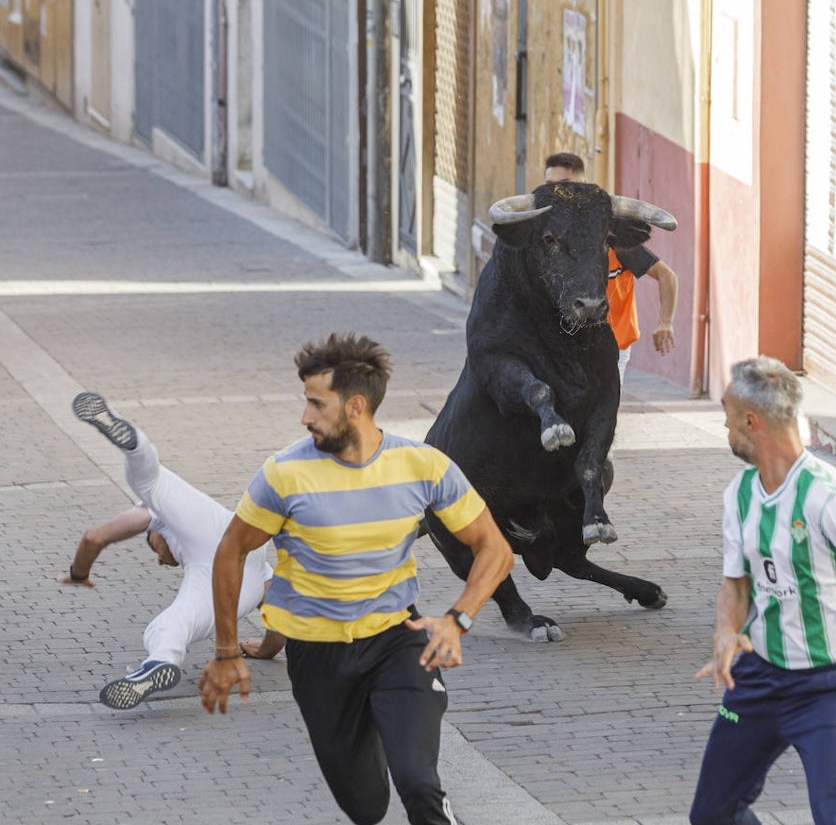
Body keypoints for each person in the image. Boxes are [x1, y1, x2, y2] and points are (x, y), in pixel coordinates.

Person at [198, 332, 514, 825]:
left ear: (356, 406)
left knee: (418, 781)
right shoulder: (284, 474)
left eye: (316, 404)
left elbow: (494, 548)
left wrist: (457, 620)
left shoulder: (422, 466)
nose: (305, 417)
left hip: (398, 641)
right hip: (317, 655)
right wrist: (225, 650)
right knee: (366, 807)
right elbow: (230, 552)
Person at [689, 356, 836, 825]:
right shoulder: (739, 494)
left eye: (728, 416)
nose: (726, 426)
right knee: (712, 815)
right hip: (757, 678)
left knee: (835, 819)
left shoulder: (830, 496)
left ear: (751, 422)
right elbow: (736, 584)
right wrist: (725, 631)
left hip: (828, 686)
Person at [67, 392, 280, 709]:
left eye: (151, 545)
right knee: (152, 481)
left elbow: (94, 537)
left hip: (215, 545)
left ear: (154, 535)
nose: (159, 560)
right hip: (245, 558)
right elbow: (279, 620)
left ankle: (160, 660)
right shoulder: (264, 576)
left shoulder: (157, 518)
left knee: (151, 491)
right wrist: (265, 651)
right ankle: (135, 444)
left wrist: (78, 574)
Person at [544, 152, 678, 385]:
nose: (556, 194)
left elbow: (667, 276)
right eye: (549, 186)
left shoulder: (613, 236)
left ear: (583, 185)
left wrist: (665, 321)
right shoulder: (547, 237)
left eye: (564, 185)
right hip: (563, 349)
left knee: (599, 418)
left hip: (610, 349)